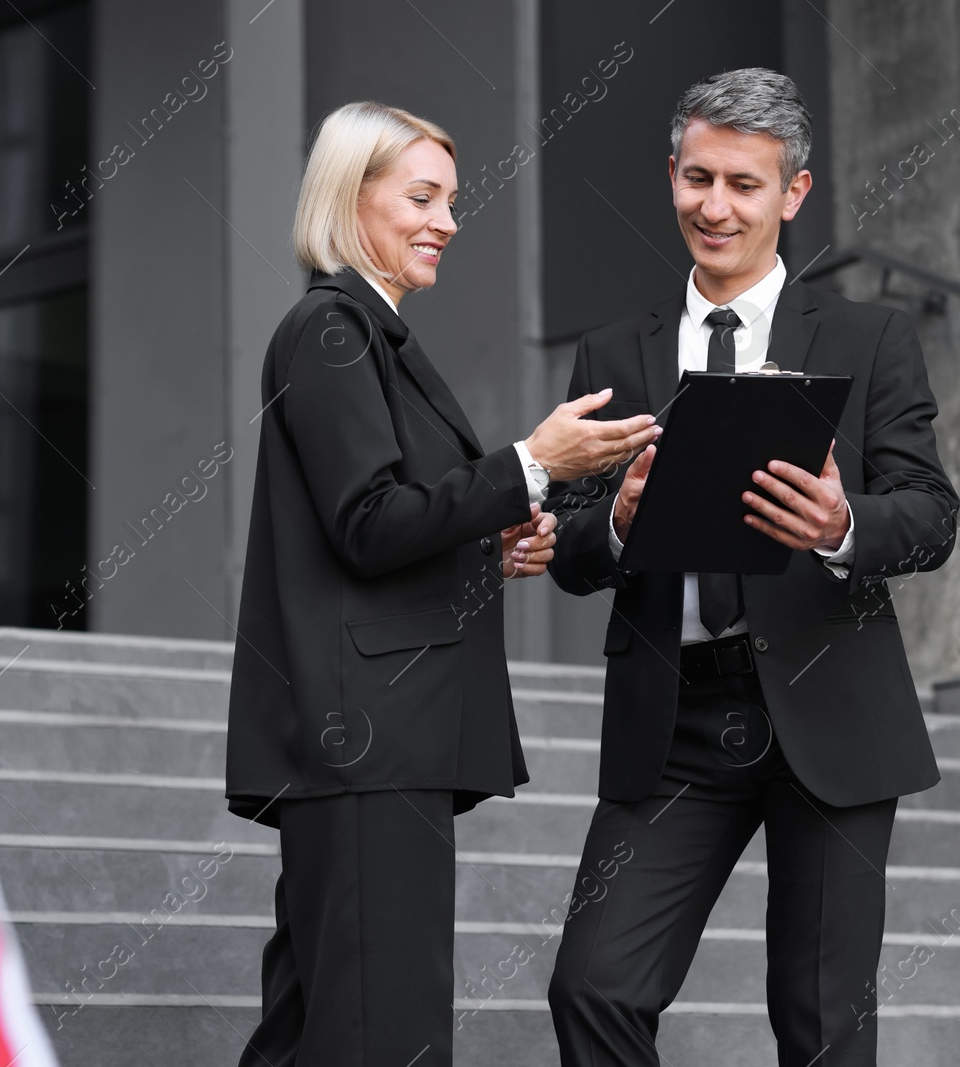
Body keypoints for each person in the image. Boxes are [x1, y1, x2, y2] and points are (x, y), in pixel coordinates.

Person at [224, 101, 660, 1067]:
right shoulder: (333, 331)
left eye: (450, 200)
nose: (446, 222)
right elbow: (370, 523)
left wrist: (481, 545)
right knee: (384, 1031)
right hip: (369, 737)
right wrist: (533, 461)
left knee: (315, 1028)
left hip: (371, 736)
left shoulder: (364, 337)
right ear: (351, 197)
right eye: (421, 196)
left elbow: (378, 523)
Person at [544, 69, 960, 1066]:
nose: (715, 206)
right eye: (697, 178)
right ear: (672, 174)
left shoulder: (868, 339)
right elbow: (565, 544)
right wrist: (617, 522)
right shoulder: (613, 350)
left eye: (743, 183)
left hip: (831, 707)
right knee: (592, 985)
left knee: (821, 1025)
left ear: (794, 193)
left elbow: (933, 514)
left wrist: (839, 521)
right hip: (673, 721)